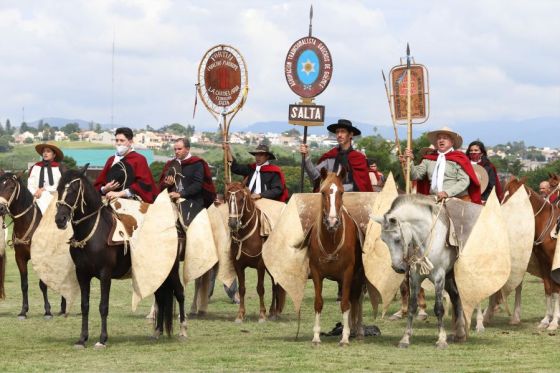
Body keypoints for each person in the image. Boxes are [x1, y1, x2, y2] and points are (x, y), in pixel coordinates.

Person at [402, 126, 481, 204]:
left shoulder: (459, 158)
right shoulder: (428, 159)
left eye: (445, 138)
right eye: (439, 138)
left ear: (452, 142)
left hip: (456, 199)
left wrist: (447, 193)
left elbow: (464, 181)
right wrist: (409, 162)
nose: (441, 140)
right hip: (433, 199)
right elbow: (415, 175)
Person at [299, 119, 373, 192]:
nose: (339, 135)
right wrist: (306, 158)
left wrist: (336, 188)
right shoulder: (331, 156)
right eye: (337, 132)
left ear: (350, 135)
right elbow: (316, 177)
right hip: (329, 200)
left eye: (343, 131)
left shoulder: (358, 158)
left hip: (352, 200)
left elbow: (361, 185)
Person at [159, 138, 216, 226]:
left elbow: (197, 185)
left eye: (179, 149)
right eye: (175, 149)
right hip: (171, 200)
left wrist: (181, 194)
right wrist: (167, 184)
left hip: (192, 200)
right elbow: (161, 186)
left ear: (187, 149)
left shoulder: (197, 163)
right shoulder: (171, 164)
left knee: (188, 224)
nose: (176, 151)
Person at [94, 127, 158, 203]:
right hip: (108, 200)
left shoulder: (139, 159)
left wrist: (120, 194)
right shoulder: (111, 160)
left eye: (122, 140)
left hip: (131, 202)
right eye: (117, 140)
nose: (118, 143)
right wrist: (105, 189)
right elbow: (99, 184)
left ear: (130, 142)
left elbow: (144, 184)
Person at [223, 143, 288, 202]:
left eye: (261, 155)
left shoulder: (273, 171)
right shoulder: (251, 168)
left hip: (266, 202)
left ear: (267, 156)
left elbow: (277, 190)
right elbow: (235, 168)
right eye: (256, 155)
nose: (258, 157)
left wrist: (260, 195)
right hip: (248, 201)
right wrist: (228, 151)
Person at [28, 143, 64, 214]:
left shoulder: (59, 168)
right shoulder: (35, 167)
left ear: (54, 155)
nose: (45, 153)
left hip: (53, 197)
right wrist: (35, 192)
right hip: (35, 196)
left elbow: (60, 185)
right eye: (44, 151)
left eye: (48, 151)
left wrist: (44, 190)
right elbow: (30, 184)